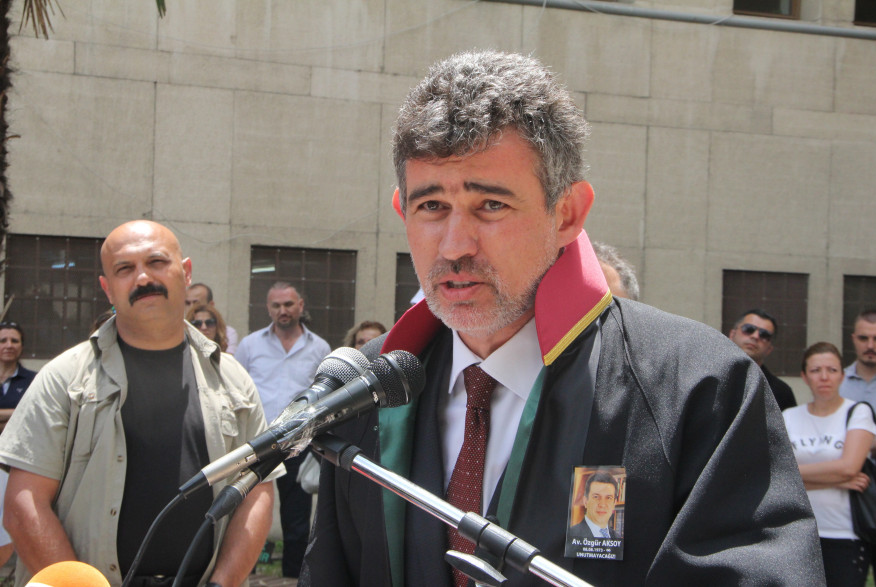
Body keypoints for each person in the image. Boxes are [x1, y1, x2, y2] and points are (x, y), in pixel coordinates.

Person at [302, 50, 823, 586]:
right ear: (402, 210)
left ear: (568, 213)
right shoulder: (366, 392)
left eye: (491, 206)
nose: (454, 246)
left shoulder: (697, 385)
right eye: (431, 206)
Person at [0, 220, 280, 587]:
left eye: (157, 262)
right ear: (107, 288)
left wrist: (222, 582)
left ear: (186, 272)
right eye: (124, 269)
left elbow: (257, 489)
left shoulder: (233, 379)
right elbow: (24, 505)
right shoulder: (63, 379)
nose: (143, 278)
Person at [235, 282, 330, 578]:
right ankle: (244, 577)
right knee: (246, 514)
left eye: (288, 304)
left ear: (300, 305)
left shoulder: (319, 348)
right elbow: (237, 390)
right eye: (276, 305)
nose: (283, 311)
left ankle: (293, 578)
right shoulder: (250, 345)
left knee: (297, 521)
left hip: (297, 444)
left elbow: (325, 395)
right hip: (257, 443)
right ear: (268, 308)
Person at [783, 342, 876, 586]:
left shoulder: (858, 412)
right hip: (798, 532)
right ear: (804, 376)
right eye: (815, 370)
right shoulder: (789, 417)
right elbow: (777, 477)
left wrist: (796, 475)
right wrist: (837, 481)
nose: (824, 377)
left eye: (832, 370)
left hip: (844, 533)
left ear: (842, 375)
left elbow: (849, 467)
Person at [839, 309, 876, 586]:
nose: (871, 345)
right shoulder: (836, 381)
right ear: (853, 339)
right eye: (864, 338)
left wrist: (865, 439)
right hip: (845, 497)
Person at [0, 321, 37, 568]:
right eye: (3, 340)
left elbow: (31, 415)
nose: (8, 345)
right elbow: (20, 414)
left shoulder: (34, 380)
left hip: (14, 463)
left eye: (14, 340)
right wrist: (13, 413)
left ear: (22, 346)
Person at [728, 309, 797, 411]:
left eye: (764, 334)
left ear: (769, 349)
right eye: (748, 329)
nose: (755, 336)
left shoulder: (781, 393)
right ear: (732, 335)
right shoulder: (709, 374)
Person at [186, 283, 240, 353]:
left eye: (210, 323)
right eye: (197, 323)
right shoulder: (180, 335)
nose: (204, 327)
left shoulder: (228, 334)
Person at [569, 471, 620, 540]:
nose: (602, 504)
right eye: (596, 497)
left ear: (614, 503)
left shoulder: (617, 537)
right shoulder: (571, 534)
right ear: (585, 501)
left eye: (608, 498)